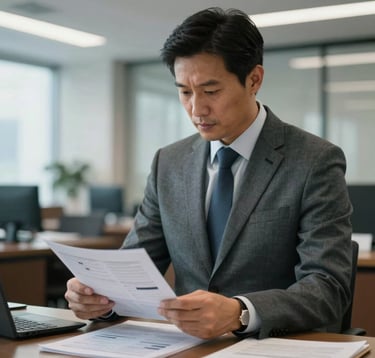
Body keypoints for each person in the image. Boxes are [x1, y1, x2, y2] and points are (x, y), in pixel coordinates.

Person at [65, 7, 353, 340]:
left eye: (211, 91)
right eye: (185, 92)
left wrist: (241, 312)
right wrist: (100, 298)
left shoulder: (314, 160)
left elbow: (328, 288)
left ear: (254, 79)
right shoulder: (168, 164)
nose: (196, 109)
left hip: (276, 345)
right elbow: (133, 268)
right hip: (186, 346)